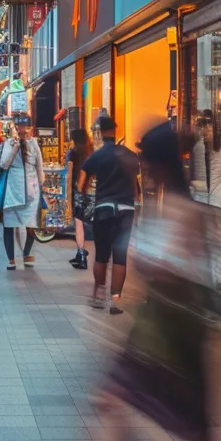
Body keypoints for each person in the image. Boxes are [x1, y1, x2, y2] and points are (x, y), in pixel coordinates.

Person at [70, 121, 221, 441]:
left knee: (194, 427)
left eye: (145, 159)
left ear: (157, 162)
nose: (141, 166)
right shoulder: (171, 202)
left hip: (173, 330)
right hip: (163, 325)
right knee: (116, 400)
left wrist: (149, 261)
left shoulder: (186, 209)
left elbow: (184, 270)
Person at [78, 115, 139, 313]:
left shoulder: (97, 156)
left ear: (100, 132)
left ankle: (98, 295)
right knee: (120, 256)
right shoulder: (129, 155)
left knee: (102, 254)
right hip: (126, 209)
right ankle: (115, 301)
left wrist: (87, 190)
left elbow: (81, 185)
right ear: (115, 129)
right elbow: (135, 185)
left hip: (103, 208)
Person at [190, 111, 221, 285]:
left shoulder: (197, 146)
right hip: (219, 195)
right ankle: (218, 276)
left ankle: (210, 276)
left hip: (205, 196)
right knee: (218, 237)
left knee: (206, 237)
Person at [0, 119, 47, 270]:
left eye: (26, 128)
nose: (23, 131)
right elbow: (3, 164)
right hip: (13, 190)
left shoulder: (34, 144)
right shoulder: (8, 144)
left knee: (32, 224)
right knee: (9, 226)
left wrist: (42, 186)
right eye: (20, 128)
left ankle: (27, 253)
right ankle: (11, 259)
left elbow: (40, 167)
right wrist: (15, 146)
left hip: (32, 191)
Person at [65, 128, 93, 270]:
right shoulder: (90, 152)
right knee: (84, 222)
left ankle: (82, 255)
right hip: (89, 191)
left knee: (79, 224)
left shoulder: (73, 154)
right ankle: (79, 253)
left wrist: (67, 195)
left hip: (78, 191)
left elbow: (69, 175)